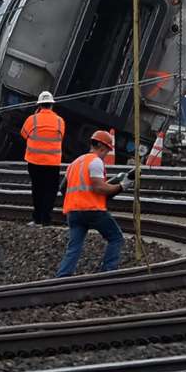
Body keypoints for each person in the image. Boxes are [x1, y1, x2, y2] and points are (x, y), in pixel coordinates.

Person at [55, 130, 131, 278]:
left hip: (73, 212)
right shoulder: (96, 162)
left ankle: (62, 277)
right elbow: (99, 188)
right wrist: (122, 186)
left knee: (74, 246)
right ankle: (108, 273)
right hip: (92, 210)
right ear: (102, 147)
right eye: (107, 150)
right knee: (116, 238)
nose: (106, 154)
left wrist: (76, 200)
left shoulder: (75, 163)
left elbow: (63, 188)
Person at [21, 91, 66, 226]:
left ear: (39, 105)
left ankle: (37, 219)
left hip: (34, 161)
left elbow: (23, 134)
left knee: (37, 189)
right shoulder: (60, 121)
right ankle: (46, 220)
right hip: (53, 162)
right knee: (50, 191)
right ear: (52, 105)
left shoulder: (32, 119)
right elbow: (61, 136)